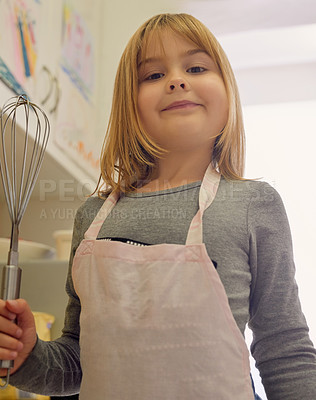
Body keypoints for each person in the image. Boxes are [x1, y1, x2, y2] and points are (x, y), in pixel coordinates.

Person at [0, 12, 315, 400]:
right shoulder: (94, 217)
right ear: (129, 106)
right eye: (152, 75)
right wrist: (26, 356)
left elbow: (285, 349)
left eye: (196, 67)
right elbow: (77, 363)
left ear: (228, 91)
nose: (177, 80)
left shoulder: (253, 205)